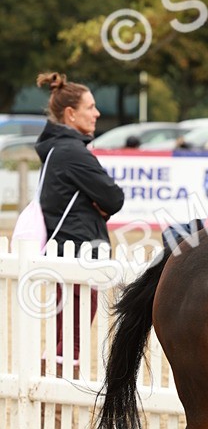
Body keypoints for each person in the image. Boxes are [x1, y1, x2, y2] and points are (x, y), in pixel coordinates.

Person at [35, 71, 125, 369]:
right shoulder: (73, 152)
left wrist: (97, 201)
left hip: (66, 248)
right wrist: (100, 203)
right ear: (71, 114)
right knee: (72, 337)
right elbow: (114, 198)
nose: (97, 113)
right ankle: (55, 402)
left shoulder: (56, 149)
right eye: (90, 107)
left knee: (65, 332)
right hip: (80, 250)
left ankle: (50, 394)